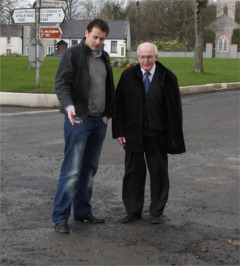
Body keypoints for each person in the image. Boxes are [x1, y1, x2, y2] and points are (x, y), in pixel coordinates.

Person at [52, 19, 115, 233]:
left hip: (99, 122)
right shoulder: (74, 54)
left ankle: (82, 212)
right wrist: (69, 106)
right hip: (78, 120)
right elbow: (61, 83)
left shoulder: (104, 57)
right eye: (95, 37)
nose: (98, 42)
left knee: (89, 170)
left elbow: (108, 87)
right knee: (72, 171)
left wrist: (107, 114)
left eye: (102, 39)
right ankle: (60, 217)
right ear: (86, 33)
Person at [112, 42, 185, 224]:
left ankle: (156, 211)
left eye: (149, 57)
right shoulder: (128, 76)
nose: (146, 61)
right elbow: (118, 106)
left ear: (156, 57)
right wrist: (118, 131)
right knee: (133, 172)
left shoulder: (167, 77)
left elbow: (175, 109)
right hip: (132, 133)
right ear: (138, 58)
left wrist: (174, 137)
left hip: (157, 133)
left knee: (158, 172)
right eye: (142, 57)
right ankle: (133, 210)